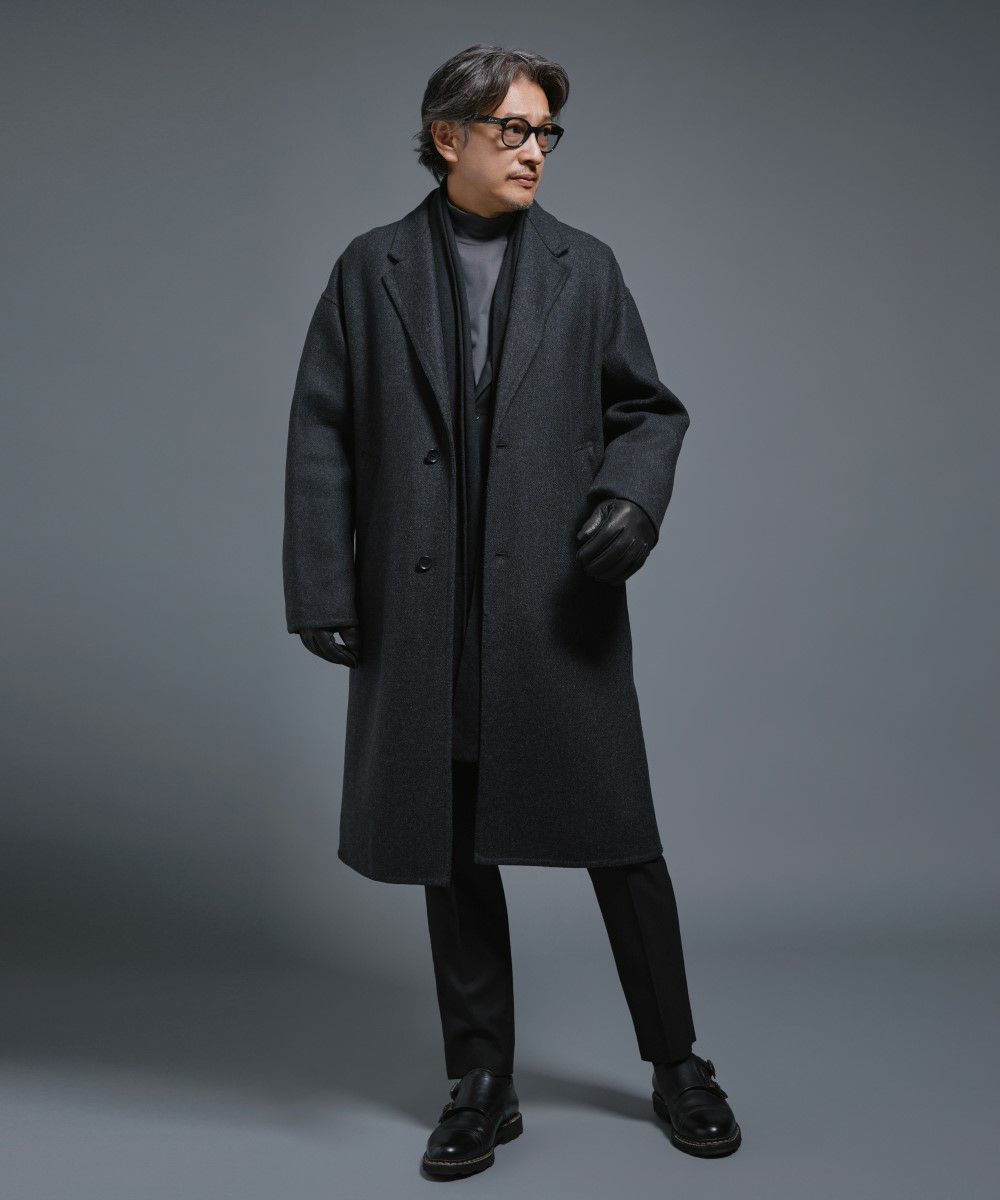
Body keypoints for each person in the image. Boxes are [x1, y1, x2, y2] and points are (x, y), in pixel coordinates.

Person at [282, 43, 741, 1178]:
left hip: (555, 603)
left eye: (546, 133)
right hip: (422, 606)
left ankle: (678, 1064)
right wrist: (325, 585)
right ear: (449, 137)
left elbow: (649, 411)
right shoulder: (370, 268)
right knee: (450, 848)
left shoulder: (587, 269)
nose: (536, 152)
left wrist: (632, 500)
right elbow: (322, 430)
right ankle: (481, 1079)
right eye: (515, 131)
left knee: (620, 839)